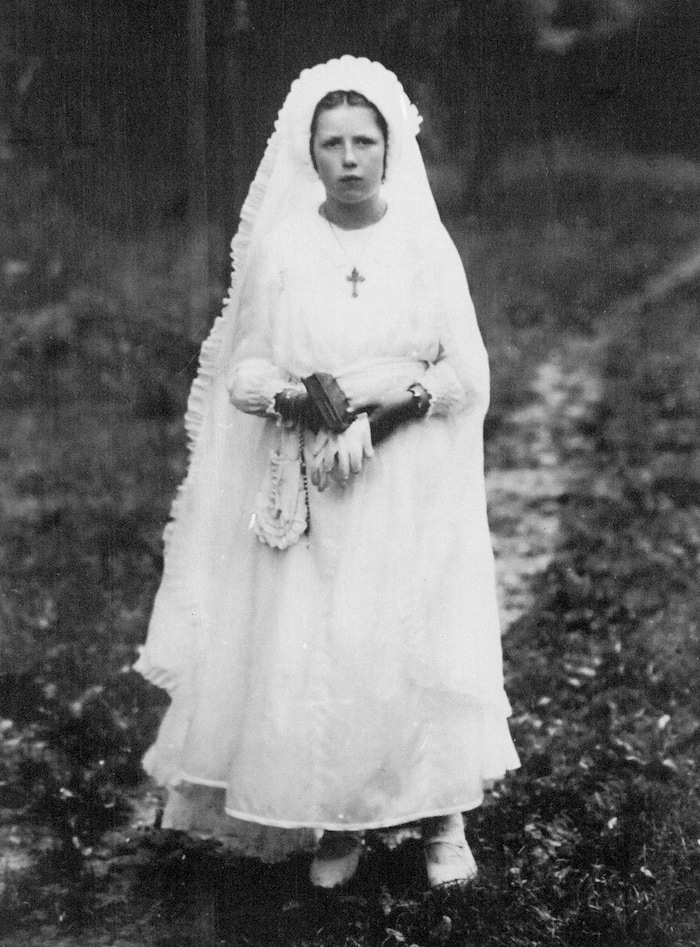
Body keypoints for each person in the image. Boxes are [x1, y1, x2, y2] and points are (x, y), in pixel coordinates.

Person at [135, 56, 520, 890]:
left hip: (404, 468)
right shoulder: (285, 246)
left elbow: (466, 374)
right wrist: (301, 402)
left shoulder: (422, 243)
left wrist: (388, 413)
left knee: (409, 629)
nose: (349, 159)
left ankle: (441, 816)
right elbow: (249, 367)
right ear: (308, 153)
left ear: (391, 150)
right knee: (324, 641)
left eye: (363, 143)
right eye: (332, 144)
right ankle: (338, 817)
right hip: (312, 469)